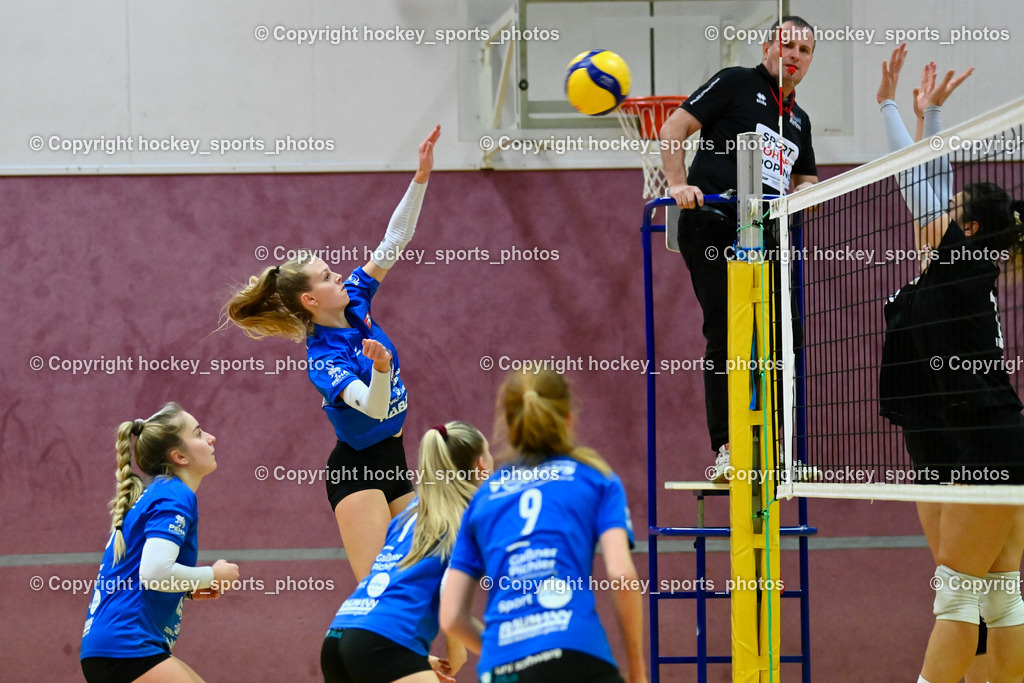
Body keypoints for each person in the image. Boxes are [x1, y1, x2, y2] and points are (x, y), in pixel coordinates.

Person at [225, 126, 441, 582]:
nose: (338, 275)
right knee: (379, 589)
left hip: (393, 457)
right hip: (356, 471)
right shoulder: (324, 360)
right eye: (326, 276)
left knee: (432, 568)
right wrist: (381, 369)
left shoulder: (356, 300)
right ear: (310, 300)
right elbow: (376, 405)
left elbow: (394, 240)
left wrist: (420, 176)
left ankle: (451, 657)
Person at [874, 46, 1024, 683]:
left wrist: (892, 106)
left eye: (951, 211)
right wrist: (929, 114)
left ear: (969, 229)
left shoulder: (963, 263)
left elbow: (918, 179)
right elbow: (927, 187)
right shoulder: (941, 274)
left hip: (983, 431)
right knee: (995, 592)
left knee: (961, 595)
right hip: (942, 437)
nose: (932, 213)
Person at [659, 16, 818, 480]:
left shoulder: (799, 120)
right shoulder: (735, 83)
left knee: (784, 336)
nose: (794, 55)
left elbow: (806, 179)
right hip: (711, 223)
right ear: (769, 46)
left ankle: (775, 447)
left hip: (763, 234)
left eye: (805, 51)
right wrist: (678, 184)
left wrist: (802, 195)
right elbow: (673, 128)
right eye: (787, 45)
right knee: (729, 333)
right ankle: (728, 449)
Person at [440, 368, 647, 683]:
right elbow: (621, 576)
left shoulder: (485, 498)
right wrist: (637, 670)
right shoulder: (596, 477)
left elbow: (452, 617)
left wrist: (506, 652)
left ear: (509, 425)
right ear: (568, 417)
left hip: (502, 667)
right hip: (576, 653)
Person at [320, 421, 492, 683]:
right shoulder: (468, 516)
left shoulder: (411, 513)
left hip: (341, 634)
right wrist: (464, 650)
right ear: (481, 463)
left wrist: (414, 658)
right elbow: (450, 595)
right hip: (383, 642)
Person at [80, 403, 240, 683]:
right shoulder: (174, 495)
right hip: (127, 648)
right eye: (199, 433)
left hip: (113, 647)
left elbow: (139, 576)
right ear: (179, 456)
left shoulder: (159, 493)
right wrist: (213, 574)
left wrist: (188, 587)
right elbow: (154, 573)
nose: (211, 438)